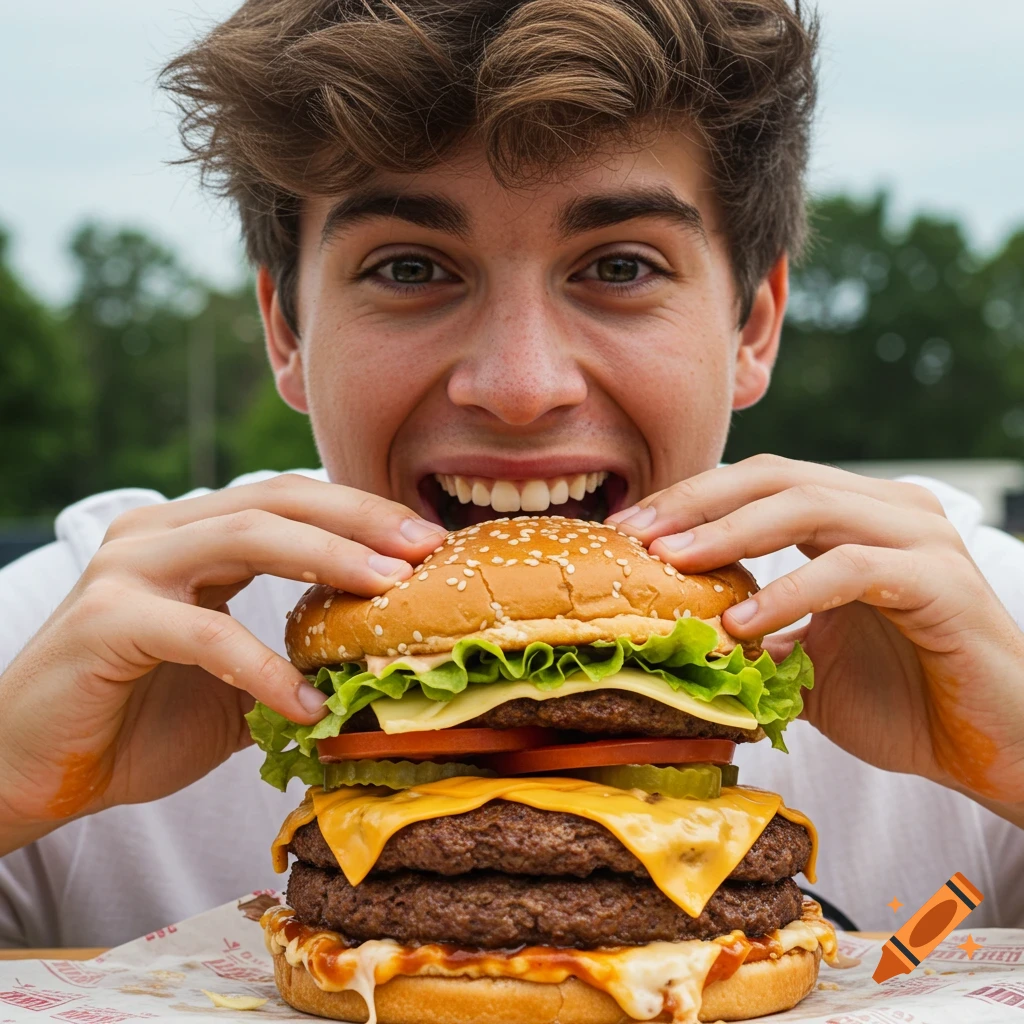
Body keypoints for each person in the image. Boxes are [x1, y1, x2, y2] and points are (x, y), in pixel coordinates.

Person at [1, 0, 1023, 949]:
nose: (521, 386)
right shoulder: (80, 631)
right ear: (286, 329)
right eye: (409, 268)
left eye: (619, 266)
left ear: (752, 324)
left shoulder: (973, 620)